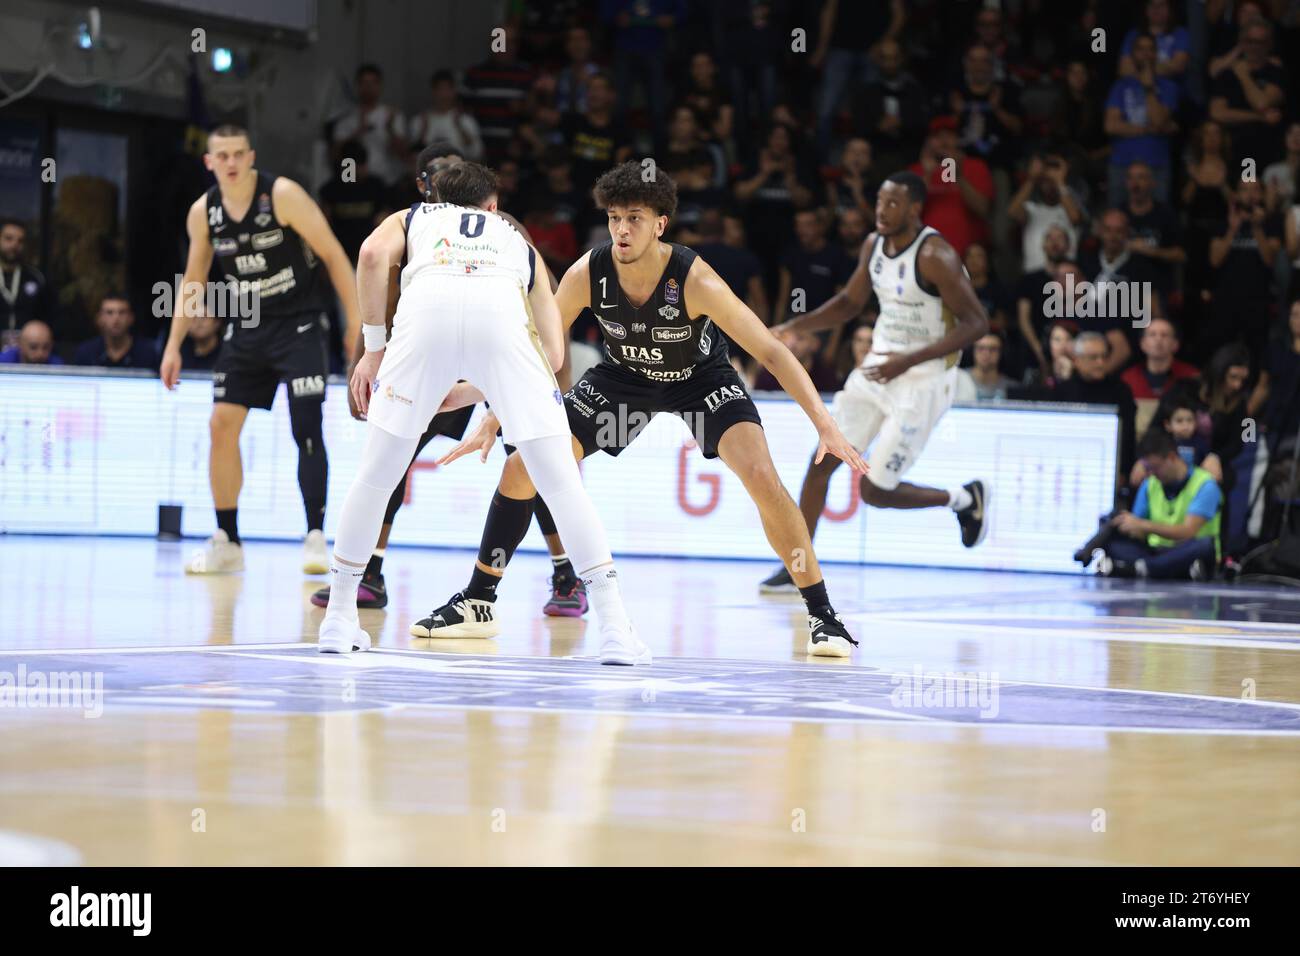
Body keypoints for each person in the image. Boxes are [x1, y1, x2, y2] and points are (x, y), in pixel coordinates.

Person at [424, 162, 869, 658]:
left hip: (699, 382)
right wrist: (492, 413)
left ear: (661, 224)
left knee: (763, 477)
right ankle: (478, 600)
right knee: (521, 466)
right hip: (625, 381)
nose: (622, 229)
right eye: (614, 218)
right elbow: (531, 350)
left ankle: (823, 615)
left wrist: (825, 425)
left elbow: (771, 351)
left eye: (634, 218)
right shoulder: (587, 273)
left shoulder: (695, 278)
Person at [318, 161, 645, 664]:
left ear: (436, 201)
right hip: (503, 328)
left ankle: (338, 619)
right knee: (561, 485)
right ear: (492, 207)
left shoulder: (414, 218)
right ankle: (616, 629)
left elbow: (369, 255)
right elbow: (554, 355)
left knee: (375, 477)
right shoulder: (517, 240)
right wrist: (481, 387)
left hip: (425, 318)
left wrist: (375, 346)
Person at [309, 142, 580, 617]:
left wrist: (548, 376)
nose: (449, 183)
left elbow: (548, 300)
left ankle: (565, 573)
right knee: (390, 461)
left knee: (530, 463)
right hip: (429, 361)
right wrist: (363, 360)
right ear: (424, 184)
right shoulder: (414, 223)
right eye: (440, 175)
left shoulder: (504, 230)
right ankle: (368, 570)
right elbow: (384, 297)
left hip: (499, 360)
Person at [758, 172, 993, 596]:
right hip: (879, 369)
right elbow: (850, 302)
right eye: (880, 202)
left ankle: (963, 498)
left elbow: (978, 323)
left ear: (914, 208)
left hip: (924, 377)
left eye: (893, 204)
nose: (882, 211)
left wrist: (909, 360)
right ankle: (798, 566)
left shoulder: (935, 254)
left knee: (873, 491)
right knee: (821, 462)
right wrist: (793, 325)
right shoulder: (873, 245)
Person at [160, 124, 362, 575]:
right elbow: (193, 281)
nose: (230, 163)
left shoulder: (283, 195)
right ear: (208, 162)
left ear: (251, 157)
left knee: (306, 425)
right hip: (247, 325)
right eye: (221, 156)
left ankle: (314, 535)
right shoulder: (203, 212)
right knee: (221, 424)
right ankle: (227, 539)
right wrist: (173, 345)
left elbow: (334, 255)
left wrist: (355, 325)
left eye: (238, 154)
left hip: (302, 323)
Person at [1094, 427, 1220, 580]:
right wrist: (1122, 525)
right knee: (1114, 543)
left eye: (1155, 468)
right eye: (1147, 469)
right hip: (1156, 551)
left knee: (1204, 545)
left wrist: (1143, 525)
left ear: (1172, 457)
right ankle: (1150, 568)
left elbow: (1188, 532)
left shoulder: (1205, 485)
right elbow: (1139, 531)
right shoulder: (1150, 484)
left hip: (1186, 549)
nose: (1151, 474)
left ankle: (1143, 568)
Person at [406, 70, 484, 159]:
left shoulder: (466, 120)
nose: (444, 95)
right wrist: (423, 132)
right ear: (433, 91)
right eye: (440, 89)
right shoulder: (419, 121)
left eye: (448, 89)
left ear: (454, 91)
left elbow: (477, 153)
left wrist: (461, 129)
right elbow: (412, 157)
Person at [1120, 317, 1198, 401]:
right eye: (1152, 334)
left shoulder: (1191, 376)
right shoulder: (1128, 379)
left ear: (1175, 344)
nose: (1158, 339)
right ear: (1142, 344)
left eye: (1164, 335)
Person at [0, 219, 50, 349]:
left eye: (20, 241)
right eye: (8, 238)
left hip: (27, 353)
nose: (14, 245)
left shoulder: (35, 278)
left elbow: (47, 317)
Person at [73, 296, 159, 370]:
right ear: (99, 319)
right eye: (109, 313)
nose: (116, 319)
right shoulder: (86, 353)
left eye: (122, 312)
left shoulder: (148, 353)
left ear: (131, 318)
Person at [955, 332, 1014, 402]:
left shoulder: (1012, 387)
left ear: (1002, 353)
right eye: (981, 348)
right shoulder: (957, 379)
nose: (986, 353)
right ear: (973, 351)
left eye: (993, 349)